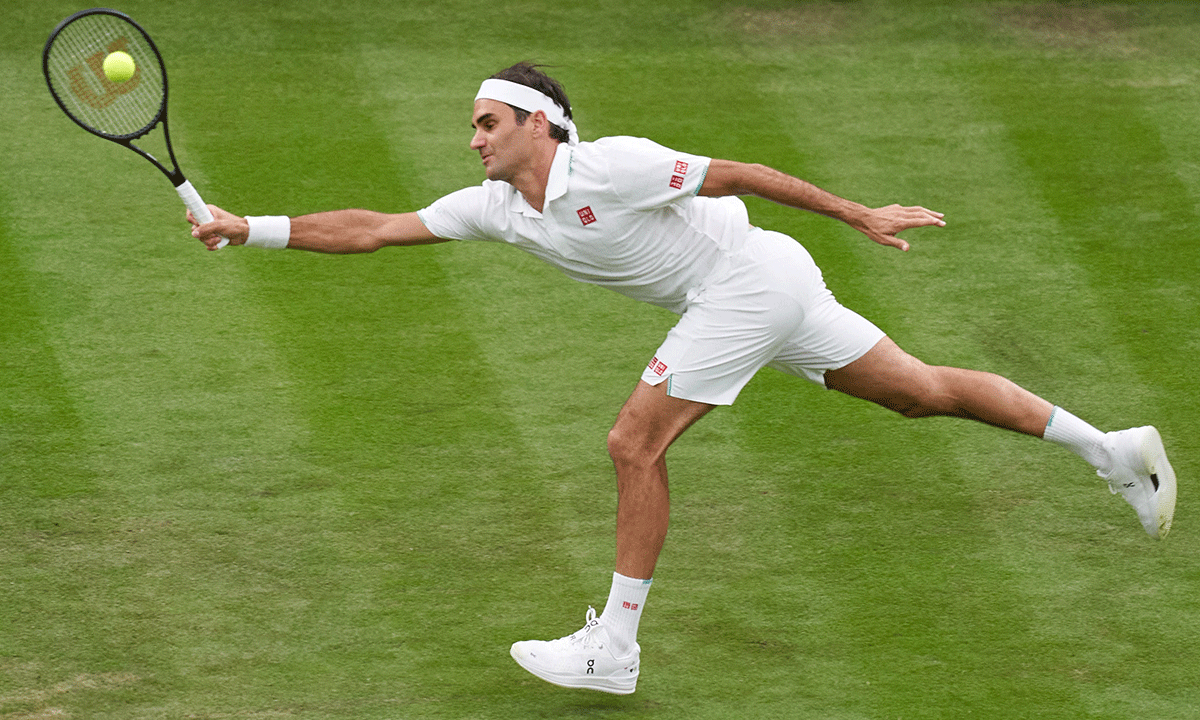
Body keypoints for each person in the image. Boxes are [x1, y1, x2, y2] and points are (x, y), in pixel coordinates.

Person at [190, 62, 1177, 695]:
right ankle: (1114, 448)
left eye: (489, 123)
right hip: (769, 289)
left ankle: (613, 648)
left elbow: (736, 172)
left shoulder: (613, 164)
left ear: (541, 123)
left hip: (750, 281)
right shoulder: (498, 205)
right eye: (475, 128)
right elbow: (372, 228)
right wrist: (249, 228)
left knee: (633, 442)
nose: (475, 139)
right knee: (919, 390)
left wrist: (856, 212)